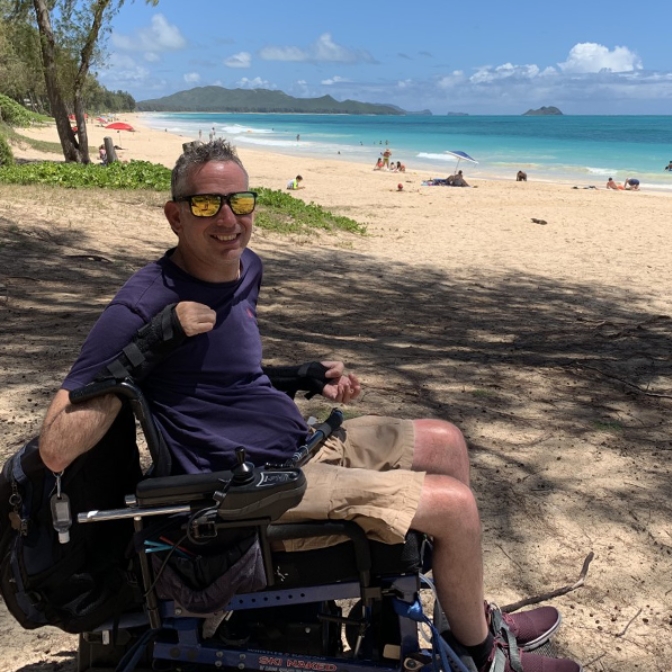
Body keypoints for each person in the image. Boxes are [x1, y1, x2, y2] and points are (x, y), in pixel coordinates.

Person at [38, 140, 580, 672]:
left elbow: (224, 376)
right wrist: (150, 342)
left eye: (240, 201)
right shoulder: (143, 303)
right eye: (207, 204)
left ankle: (461, 626)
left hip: (297, 448)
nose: (228, 219)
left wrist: (299, 378)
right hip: (245, 489)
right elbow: (57, 447)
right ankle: (486, 658)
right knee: (455, 507)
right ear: (175, 215)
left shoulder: (245, 267)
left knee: (445, 440)